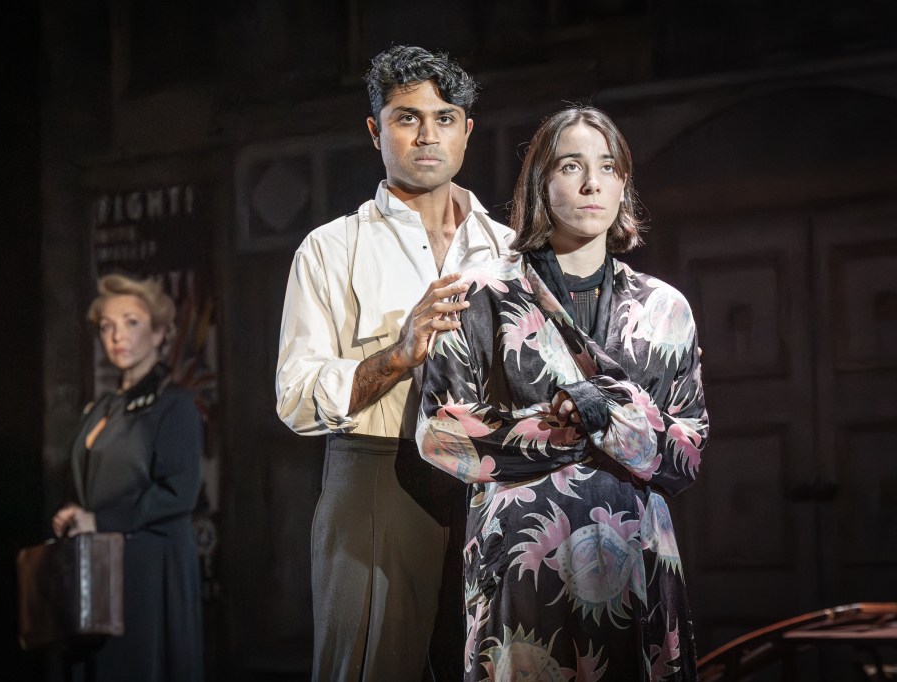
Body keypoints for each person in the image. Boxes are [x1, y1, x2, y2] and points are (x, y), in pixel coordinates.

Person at [415, 105, 709, 681]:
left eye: (608, 167)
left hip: (638, 562)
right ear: (540, 182)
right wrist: (568, 428)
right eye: (571, 166)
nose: (593, 183)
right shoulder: (479, 296)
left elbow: (688, 454)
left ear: (623, 185)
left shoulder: (664, 308)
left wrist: (605, 416)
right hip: (525, 567)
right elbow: (439, 433)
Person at [276, 45, 514, 681]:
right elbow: (295, 398)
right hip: (377, 477)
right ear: (375, 130)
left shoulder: (511, 251)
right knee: (369, 666)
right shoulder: (331, 248)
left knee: (493, 667)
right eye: (407, 117)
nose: (427, 135)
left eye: (445, 118)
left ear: (467, 130)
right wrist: (397, 356)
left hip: (494, 485)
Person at [52, 273, 204, 682]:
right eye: (107, 326)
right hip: (100, 567)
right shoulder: (101, 408)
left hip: (149, 568)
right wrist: (76, 513)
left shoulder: (175, 405)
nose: (117, 335)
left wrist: (100, 521)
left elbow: (179, 493)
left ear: (158, 333)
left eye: (131, 322)